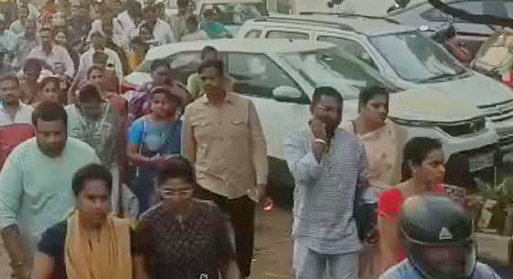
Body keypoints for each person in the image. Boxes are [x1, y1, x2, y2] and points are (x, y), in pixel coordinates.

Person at [181, 59, 267, 279]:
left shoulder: (245, 105)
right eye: (204, 79)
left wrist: (261, 181)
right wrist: (188, 187)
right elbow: (187, 154)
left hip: (242, 184)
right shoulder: (192, 111)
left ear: (223, 78)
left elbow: (257, 143)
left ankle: (242, 275)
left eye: (212, 77)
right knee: (208, 238)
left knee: (243, 239)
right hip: (207, 183)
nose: (209, 83)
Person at [0, 101, 99, 279]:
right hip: (35, 261)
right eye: (45, 134)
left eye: (58, 133)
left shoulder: (86, 155)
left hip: (81, 260)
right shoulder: (19, 159)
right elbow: (5, 217)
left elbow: (102, 203)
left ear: (67, 129)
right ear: (34, 131)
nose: (52, 139)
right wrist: (21, 266)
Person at [284, 86, 370, 279]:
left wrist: (371, 214)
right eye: (327, 109)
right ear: (312, 108)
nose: (334, 115)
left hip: (345, 235)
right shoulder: (295, 138)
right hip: (308, 234)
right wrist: (320, 142)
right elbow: (303, 174)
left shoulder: (353, 143)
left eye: (338, 110)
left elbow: (363, 183)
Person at [132, 156, 238, 279]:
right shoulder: (148, 221)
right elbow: (140, 269)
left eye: (184, 191)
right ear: (158, 188)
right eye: (169, 192)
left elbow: (228, 261)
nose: (177, 198)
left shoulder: (211, 214)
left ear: (193, 188)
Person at [34, 163, 135, 279]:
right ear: (76, 198)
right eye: (91, 198)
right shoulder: (55, 237)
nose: (98, 205)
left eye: (104, 198)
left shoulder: (125, 233)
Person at [377, 138, 462, 274]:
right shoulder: (391, 198)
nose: (442, 170)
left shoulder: (442, 195)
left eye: (442, 164)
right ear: (413, 166)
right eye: (434, 164)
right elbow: (389, 250)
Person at [378, 195, 502, 279]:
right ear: (414, 249)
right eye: (437, 250)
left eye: (454, 248)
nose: (447, 256)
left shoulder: (483, 274)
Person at [0, 73, 36, 201]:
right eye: (5, 89)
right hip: (4, 174)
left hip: (30, 173)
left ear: (19, 90)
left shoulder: (31, 113)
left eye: (12, 88)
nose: (9, 92)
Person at [127, 86, 183, 210]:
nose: (160, 106)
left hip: (173, 180)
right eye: (156, 102)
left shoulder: (180, 126)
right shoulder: (139, 125)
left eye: (165, 102)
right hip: (146, 180)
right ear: (150, 104)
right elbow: (131, 154)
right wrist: (150, 161)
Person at [66, 83, 127, 186]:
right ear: (79, 105)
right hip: (77, 168)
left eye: (93, 106)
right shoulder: (69, 114)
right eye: (86, 107)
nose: (90, 111)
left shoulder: (110, 113)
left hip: (107, 168)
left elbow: (119, 145)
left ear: (100, 102)